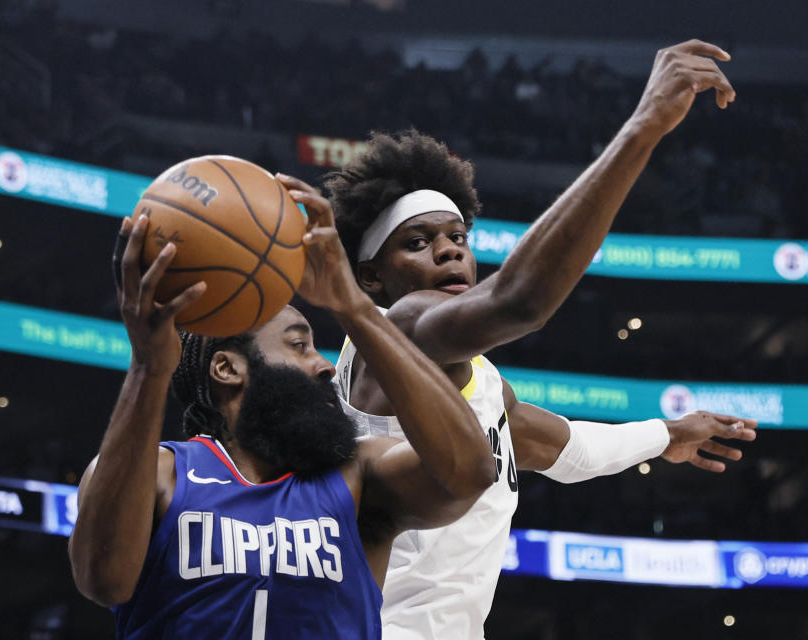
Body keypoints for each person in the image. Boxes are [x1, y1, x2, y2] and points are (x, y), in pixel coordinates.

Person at [277, 39, 757, 639]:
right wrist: (642, 127)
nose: (450, 248)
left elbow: (568, 450)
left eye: (457, 235)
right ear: (371, 275)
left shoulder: (478, 384)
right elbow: (520, 302)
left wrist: (666, 436)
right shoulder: (401, 331)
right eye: (418, 242)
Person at [68, 193, 496, 638]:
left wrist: (352, 306)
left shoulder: (358, 475)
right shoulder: (160, 474)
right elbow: (104, 579)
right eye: (298, 345)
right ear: (228, 368)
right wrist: (148, 368)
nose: (325, 365)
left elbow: (469, 472)